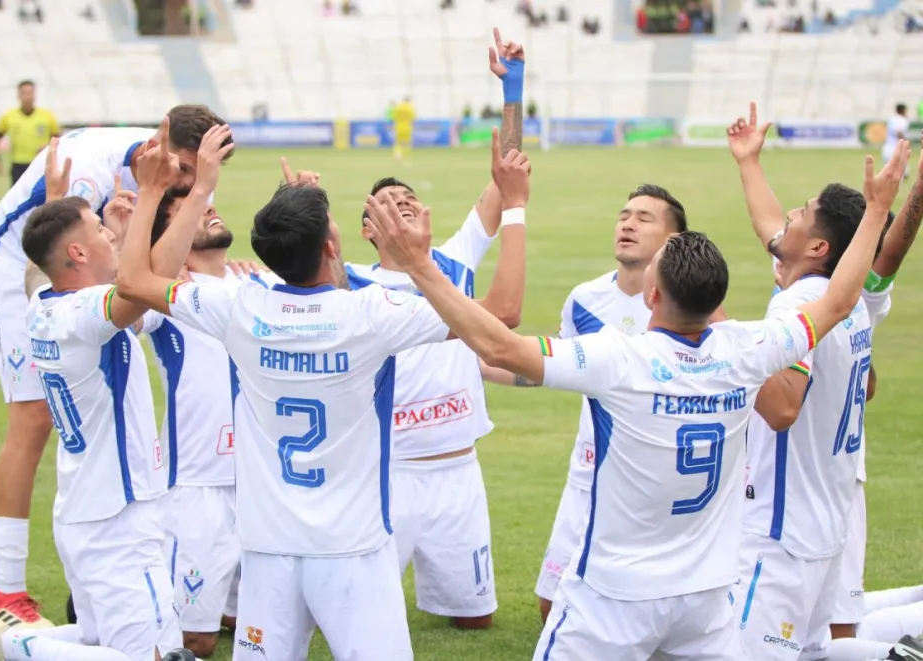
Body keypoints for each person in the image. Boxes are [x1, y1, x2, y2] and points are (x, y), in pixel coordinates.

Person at [360, 138, 909, 661]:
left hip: (613, 597)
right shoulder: (750, 350)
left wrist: (420, 266)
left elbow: (499, 342)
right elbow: (837, 300)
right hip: (705, 601)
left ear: (651, 295)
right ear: (719, 301)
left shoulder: (617, 359)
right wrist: (877, 211)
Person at [112, 120, 531, 660]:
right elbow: (501, 316)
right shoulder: (370, 314)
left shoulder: (240, 304)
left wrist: (152, 193)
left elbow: (133, 283)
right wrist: (499, 216)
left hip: (267, 550)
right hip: (352, 550)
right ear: (334, 246)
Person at [0, 122, 230, 661]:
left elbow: (139, 281)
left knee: (99, 643)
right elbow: (144, 286)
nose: (110, 230)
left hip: (87, 515)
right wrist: (178, 190)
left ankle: (14, 641)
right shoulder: (83, 314)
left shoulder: (46, 301)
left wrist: (71, 209)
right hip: (117, 523)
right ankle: (12, 648)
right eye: (98, 226)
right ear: (75, 253)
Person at [335, 27, 525, 630]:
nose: (401, 203)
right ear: (369, 227)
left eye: (408, 197)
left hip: (457, 470)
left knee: (475, 623)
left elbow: (507, 178)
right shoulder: (351, 282)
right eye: (386, 202)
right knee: (359, 621)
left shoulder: (453, 262)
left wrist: (513, 91)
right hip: (386, 473)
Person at [728, 103, 923, 661]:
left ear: (818, 249)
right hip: (825, 518)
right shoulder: (848, 302)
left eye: (803, 213)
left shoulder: (801, 301)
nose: (789, 214)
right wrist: (748, 163)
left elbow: (783, 408)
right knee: (814, 649)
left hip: (780, 528)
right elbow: (865, 387)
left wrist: (723, 343)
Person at [484, 183, 689, 624]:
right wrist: (472, 367)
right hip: (589, 476)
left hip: (653, 484)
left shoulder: (685, 307)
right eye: (624, 215)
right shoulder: (585, 299)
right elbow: (549, 366)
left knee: (649, 613)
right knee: (551, 606)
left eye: (644, 218)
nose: (628, 224)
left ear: (673, 241)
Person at [142, 187, 279, 657]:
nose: (208, 209)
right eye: (187, 213)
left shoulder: (259, 282)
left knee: (263, 630)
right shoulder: (165, 299)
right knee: (193, 641)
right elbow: (126, 289)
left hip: (262, 482)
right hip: (197, 489)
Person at [0, 80, 60, 186]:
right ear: (18, 95)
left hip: (41, 164)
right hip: (18, 165)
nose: (27, 96)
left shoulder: (47, 116)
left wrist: (48, 148)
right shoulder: (9, 116)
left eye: (30, 93)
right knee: (18, 200)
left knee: (43, 199)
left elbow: (58, 140)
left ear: (34, 95)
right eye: (24, 93)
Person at [884, 104, 910, 179]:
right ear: (903, 111)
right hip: (896, 149)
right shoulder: (902, 120)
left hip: (887, 148)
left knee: (888, 174)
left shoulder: (891, 119)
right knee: (898, 176)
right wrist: (905, 141)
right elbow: (899, 132)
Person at [392, 96, 416, 164]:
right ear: (408, 100)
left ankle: (398, 155)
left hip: (398, 127)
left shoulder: (397, 107)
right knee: (407, 143)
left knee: (398, 143)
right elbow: (413, 118)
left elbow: (393, 117)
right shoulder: (410, 107)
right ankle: (406, 159)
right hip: (407, 127)